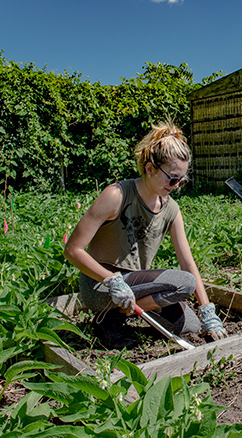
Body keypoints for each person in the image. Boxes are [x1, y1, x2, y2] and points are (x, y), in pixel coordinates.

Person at [63, 122, 227, 348]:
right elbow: (72, 250)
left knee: (190, 325)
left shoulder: (171, 209)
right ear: (150, 169)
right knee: (184, 284)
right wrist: (111, 279)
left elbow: (188, 263)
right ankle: (110, 319)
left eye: (182, 180)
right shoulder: (116, 195)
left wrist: (207, 311)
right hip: (101, 285)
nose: (177, 185)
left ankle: (116, 316)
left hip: (134, 285)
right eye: (172, 178)